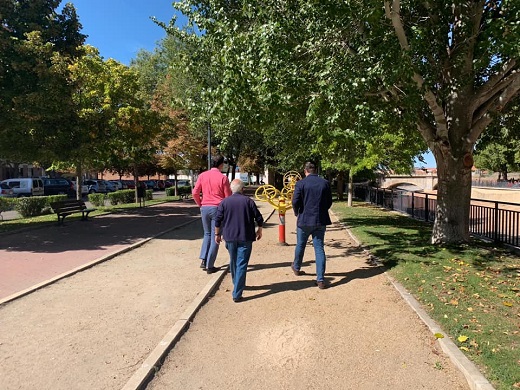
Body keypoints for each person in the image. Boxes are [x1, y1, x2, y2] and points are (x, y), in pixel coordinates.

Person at [215, 179, 264, 302]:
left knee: (234, 260)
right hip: (245, 236)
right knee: (242, 263)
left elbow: (218, 220)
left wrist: (217, 234)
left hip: (230, 236)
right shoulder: (248, 201)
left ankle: (236, 282)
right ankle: (237, 292)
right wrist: (259, 230)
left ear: (231, 189)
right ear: (243, 189)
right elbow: (259, 217)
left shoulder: (224, 202)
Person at [291, 161, 333, 289]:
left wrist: (296, 212)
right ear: (315, 170)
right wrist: (322, 210)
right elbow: (329, 201)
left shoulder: (301, 183)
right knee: (319, 248)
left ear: (305, 171)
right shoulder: (324, 183)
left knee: (301, 244)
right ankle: (320, 279)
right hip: (320, 219)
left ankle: (297, 267)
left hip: (304, 219)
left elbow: (295, 201)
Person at [192, 155, 232, 274]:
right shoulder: (223, 178)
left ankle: (204, 259)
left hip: (204, 207)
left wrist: (200, 204)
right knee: (216, 235)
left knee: (207, 234)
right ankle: (210, 265)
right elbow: (228, 197)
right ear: (221, 165)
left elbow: (195, 192)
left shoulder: (202, 175)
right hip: (217, 208)